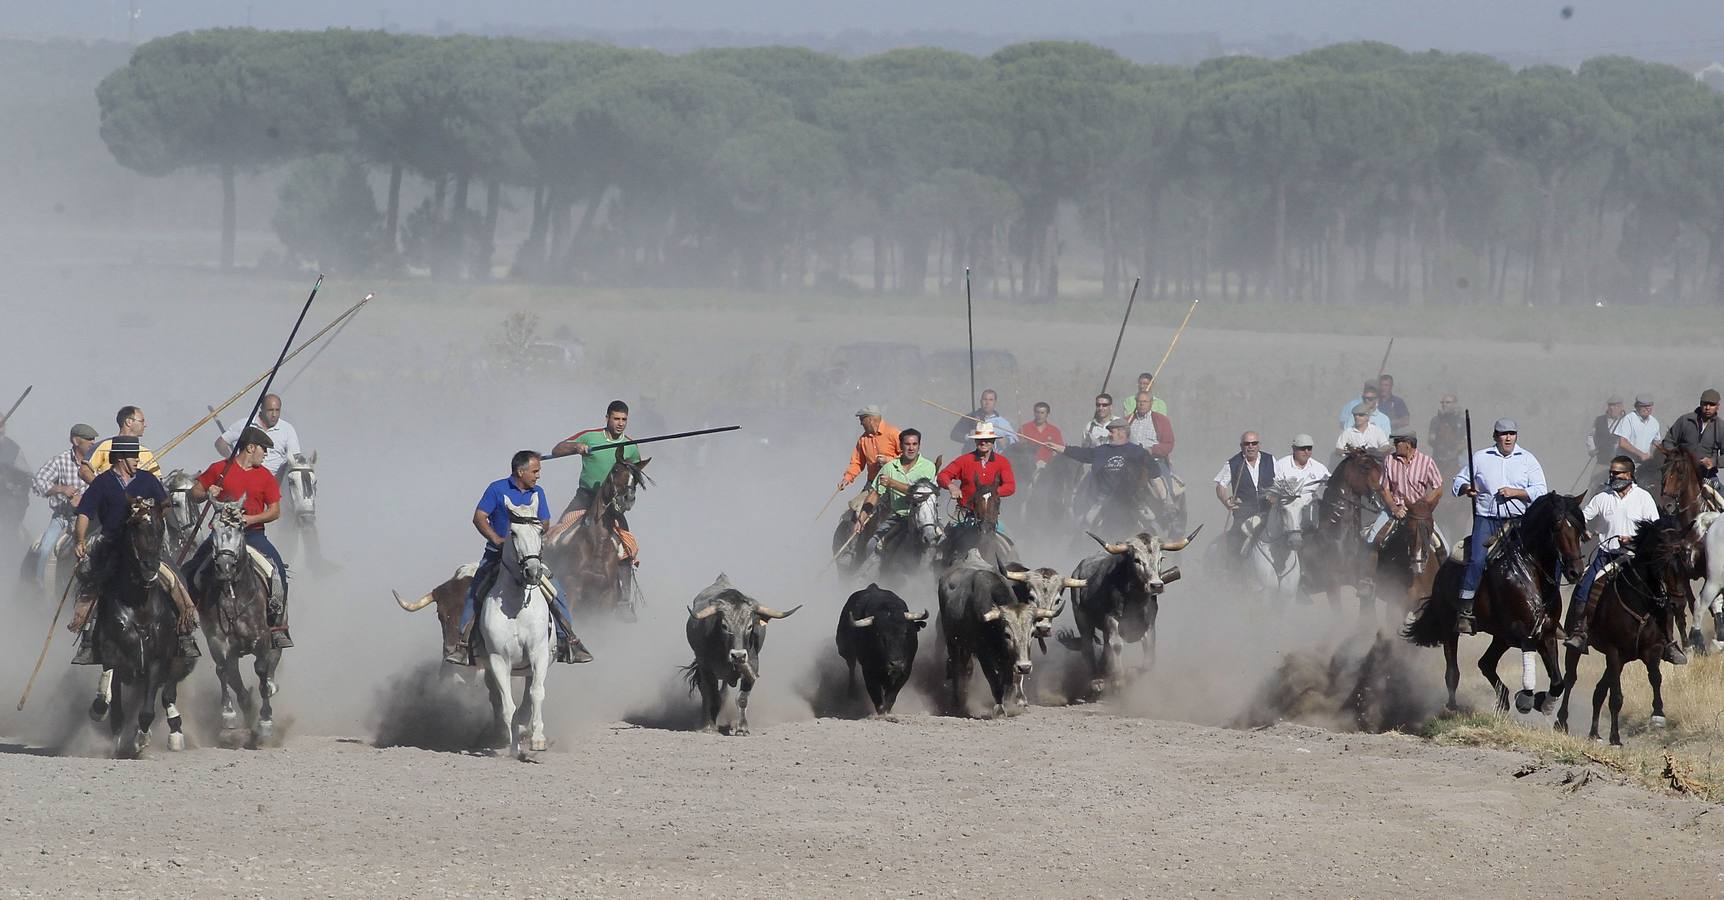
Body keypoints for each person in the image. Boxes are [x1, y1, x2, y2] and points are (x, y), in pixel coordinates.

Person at [447, 450, 591, 666]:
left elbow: (545, 522)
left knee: (557, 591)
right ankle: (464, 645)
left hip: (529, 557)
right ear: (520, 471)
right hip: (497, 557)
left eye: (538, 471)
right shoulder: (497, 489)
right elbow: (479, 517)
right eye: (535, 471)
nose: (538, 476)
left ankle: (568, 641)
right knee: (474, 593)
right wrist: (496, 539)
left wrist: (528, 535)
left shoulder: (538, 492)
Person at [68, 436, 196, 663]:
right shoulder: (103, 483)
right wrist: (80, 540)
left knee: (175, 577)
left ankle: (185, 633)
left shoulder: (147, 480)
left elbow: (165, 505)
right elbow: (85, 513)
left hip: (147, 547)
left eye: (137, 456)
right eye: (133, 456)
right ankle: (88, 636)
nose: (137, 460)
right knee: (93, 582)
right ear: (119, 458)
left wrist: (152, 512)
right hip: (112, 544)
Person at [184, 427, 294, 649]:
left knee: (277, 571)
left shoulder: (265, 476)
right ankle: (185, 628)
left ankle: (277, 626)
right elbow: (193, 494)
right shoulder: (219, 469)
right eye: (264, 450)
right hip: (222, 535)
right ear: (250, 447)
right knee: (189, 571)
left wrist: (250, 520)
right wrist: (207, 493)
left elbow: (274, 511)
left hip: (253, 535)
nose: (265, 455)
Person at [1562, 456, 1675, 661]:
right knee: (1585, 587)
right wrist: (1582, 530)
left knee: (1664, 593)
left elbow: (1656, 530)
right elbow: (1581, 518)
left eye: (1617, 473)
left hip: (1635, 557)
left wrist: (1632, 539)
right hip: (1606, 554)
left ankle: (1668, 642)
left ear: (1630, 475)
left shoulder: (1644, 498)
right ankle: (1580, 631)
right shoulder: (1602, 497)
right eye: (1612, 473)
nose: (1613, 476)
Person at [1452, 418, 1547, 635]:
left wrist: (1516, 492)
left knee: (1542, 559)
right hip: (1487, 519)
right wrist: (1468, 488)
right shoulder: (1480, 457)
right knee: (1477, 559)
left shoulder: (1527, 459)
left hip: (1519, 521)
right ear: (1495, 436)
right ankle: (1465, 610)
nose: (1508, 438)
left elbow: (1541, 490)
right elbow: (1458, 481)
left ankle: (1547, 609)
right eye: (1503, 434)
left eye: (1511, 433)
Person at [546, 400, 642, 540]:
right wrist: (576, 447)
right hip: (585, 498)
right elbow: (557, 450)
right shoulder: (590, 436)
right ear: (607, 418)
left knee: (628, 543)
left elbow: (636, 475)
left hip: (613, 503)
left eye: (624, 419)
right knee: (556, 534)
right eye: (616, 419)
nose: (620, 423)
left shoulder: (631, 446)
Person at [1052, 418, 1160, 531]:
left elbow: (1155, 471)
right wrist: (1061, 448)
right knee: (1087, 525)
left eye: (1111, 432)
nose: (1109, 435)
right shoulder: (1102, 451)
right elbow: (1083, 453)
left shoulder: (1137, 451)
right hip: (1104, 499)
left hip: (1132, 499)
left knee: (1150, 525)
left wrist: (1140, 478)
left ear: (1122, 432)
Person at [29, 423, 96, 585]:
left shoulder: (97, 461)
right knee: (45, 549)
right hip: (64, 518)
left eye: (94, 439)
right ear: (75, 441)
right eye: (88, 439)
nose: (93, 443)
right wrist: (61, 489)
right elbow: (38, 483)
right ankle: (38, 585)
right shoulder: (60, 461)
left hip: (91, 519)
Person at [857, 428, 938, 550]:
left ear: (919, 446)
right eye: (907, 444)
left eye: (914, 444)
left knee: (943, 546)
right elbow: (874, 494)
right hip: (898, 517)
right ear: (901, 446)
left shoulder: (928, 467)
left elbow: (923, 494)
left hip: (924, 518)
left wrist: (893, 483)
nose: (911, 448)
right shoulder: (889, 468)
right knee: (871, 546)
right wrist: (862, 517)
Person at [1369, 430, 1444, 546]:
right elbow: (1384, 488)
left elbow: (1438, 489)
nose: (1394, 445)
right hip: (1394, 510)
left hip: (1419, 513)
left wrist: (1425, 505)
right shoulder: (1389, 460)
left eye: (1397, 442)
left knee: (1445, 548)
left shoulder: (1427, 462)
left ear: (1407, 444)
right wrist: (1394, 508)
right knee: (1371, 540)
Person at [938, 422, 1016, 525]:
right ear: (975, 441)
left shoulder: (1002, 462)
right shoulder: (964, 460)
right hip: (965, 512)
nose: (983, 443)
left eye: (987, 440)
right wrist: (951, 486)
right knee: (946, 537)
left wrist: (991, 493)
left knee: (1005, 538)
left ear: (993, 441)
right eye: (980, 440)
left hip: (991, 516)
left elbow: (1010, 486)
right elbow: (943, 475)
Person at [836, 404, 901, 520]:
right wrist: (846, 479)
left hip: (895, 482)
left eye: (862, 420)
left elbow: (908, 457)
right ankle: (857, 534)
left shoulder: (893, 433)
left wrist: (889, 460)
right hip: (873, 484)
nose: (861, 423)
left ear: (870, 419)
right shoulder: (863, 440)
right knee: (856, 509)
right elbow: (857, 462)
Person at [1214, 431, 1276, 552]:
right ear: (1241, 446)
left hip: (1269, 512)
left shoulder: (1270, 460)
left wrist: (1275, 496)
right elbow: (1220, 486)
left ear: (1259, 445)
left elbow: (1280, 481)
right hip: (1244, 514)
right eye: (1247, 444)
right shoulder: (1233, 463)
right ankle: (1232, 568)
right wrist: (1226, 501)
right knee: (1234, 540)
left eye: (1254, 443)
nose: (1251, 446)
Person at [215, 393, 303, 477]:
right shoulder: (246, 424)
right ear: (262, 408)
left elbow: (295, 459)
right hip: (246, 476)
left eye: (277, 410)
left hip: (274, 480)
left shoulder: (287, 429)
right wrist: (233, 461)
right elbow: (221, 443)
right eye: (270, 410)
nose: (274, 415)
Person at [1662, 388, 1724, 490]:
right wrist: (1676, 457)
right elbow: (1668, 441)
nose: (1707, 408)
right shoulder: (1685, 420)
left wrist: (1713, 461)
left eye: (1712, 405)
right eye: (1705, 404)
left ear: (1718, 407)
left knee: (1722, 499)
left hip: (1706, 476)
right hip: (1680, 472)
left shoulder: (1721, 427)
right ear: (1700, 403)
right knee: (1665, 493)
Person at [84, 406, 160, 480]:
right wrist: (102, 488)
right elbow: (84, 470)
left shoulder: (146, 452)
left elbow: (157, 479)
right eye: (142, 421)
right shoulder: (104, 446)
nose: (145, 425)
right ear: (129, 422)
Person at [948, 389, 1017, 449]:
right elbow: (954, 434)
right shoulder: (970, 418)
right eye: (985, 399)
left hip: (995, 459)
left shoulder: (1003, 422)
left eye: (991, 400)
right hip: (974, 458)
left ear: (995, 402)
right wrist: (969, 436)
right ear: (981, 401)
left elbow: (1015, 439)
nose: (987, 403)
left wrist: (1007, 440)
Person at [0, 413, 29, 549]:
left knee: (11, 536)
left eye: (2, 424)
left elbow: (27, 478)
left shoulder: (13, 449)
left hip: (6, 504)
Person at [1273, 434, 1331, 501]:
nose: (1306, 452)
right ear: (1294, 448)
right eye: (1302, 448)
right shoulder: (1281, 465)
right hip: (1286, 507)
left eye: (1309, 448)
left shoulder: (1319, 468)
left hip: (1310, 507)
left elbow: (1332, 483)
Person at [1612, 394, 1660, 473]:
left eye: (1650, 406)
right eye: (1644, 406)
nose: (1648, 408)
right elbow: (1623, 443)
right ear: (1637, 407)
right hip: (1625, 464)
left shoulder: (1654, 423)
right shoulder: (1628, 419)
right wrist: (1641, 454)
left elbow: (1656, 443)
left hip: (1643, 464)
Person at [1588, 395, 1627, 485]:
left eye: (1617, 406)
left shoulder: (1627, 421)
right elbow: (1590, 436)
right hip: (1603, 461)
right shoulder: (1599, 420)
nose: (1613, 408)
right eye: (1611, 406)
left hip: (1620, 463)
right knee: (1593, 484)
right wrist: (1592, 449)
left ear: (1621, 407)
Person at [1017, 402, 1062, 469]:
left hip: (1048, 467)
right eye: (1037, 412)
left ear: (1047, 414)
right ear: (1034, 413)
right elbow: (1016, 449)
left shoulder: (1055, 431)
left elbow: (1060, 449)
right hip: (1028, 467)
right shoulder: (1024, 428)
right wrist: (1021, 444)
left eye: (1042, 413)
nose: (1039, 415)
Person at [1428, 393, 1465, 471]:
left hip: (1456, 459)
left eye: (1448, 402)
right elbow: (1431, 440)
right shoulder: (1436, 420)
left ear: (1454, 404)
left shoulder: (1460, 421)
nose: (1444, 405)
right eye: (1442, 402)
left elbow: (1465, 441)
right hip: (1438, 458)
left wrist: (1454, 452)